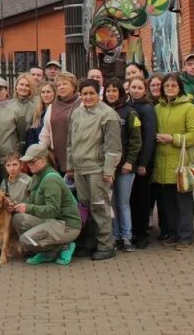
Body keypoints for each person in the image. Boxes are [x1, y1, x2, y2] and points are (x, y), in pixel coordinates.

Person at [68, 78, 121, 260]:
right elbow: (70, 143)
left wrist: (109, 171)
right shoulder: (77, 113)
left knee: (99, 207)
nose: (88, 97)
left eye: (91, 93)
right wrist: (70, 166)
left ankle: (106, 245)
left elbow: (113, 147)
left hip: (97, 169)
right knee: (84, 207)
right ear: (80, 95)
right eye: (84, 94)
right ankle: (88, 244)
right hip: (80, 169)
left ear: (98, 93)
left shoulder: (108, 115)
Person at [10, 143, 82, 265]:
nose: (28, 165)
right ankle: (49, 250)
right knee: (18, 219)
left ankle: (62, 247)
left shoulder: (51, 179)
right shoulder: (37, 176)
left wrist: (28, 208)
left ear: (43, 160)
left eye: (32, 162)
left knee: (25, 241)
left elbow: (53, 210)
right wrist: (16, 205)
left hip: (67, 225)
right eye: (27, 162)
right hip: (52, 220)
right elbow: (31, 201)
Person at [152, 73, 194, 249]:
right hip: (162, 163)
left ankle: (185, 236)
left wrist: (173, 139)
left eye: (173, 85)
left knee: (183, 202)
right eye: (167, 86)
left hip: (181, 163)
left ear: (180, 87)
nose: (170, 88)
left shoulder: (189, 108)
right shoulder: (158, 108)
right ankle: (172, 233)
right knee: (168, 204)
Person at [104, 77, 141, 253]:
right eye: (108, 90)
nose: (111, 94)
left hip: (125, 167)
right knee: (110, 203)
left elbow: (136, 141)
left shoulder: (130, 113)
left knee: (123, 203)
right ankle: (115, 236)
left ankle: (126, 237)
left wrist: (129, 162)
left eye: (114, 90)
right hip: (108, 167)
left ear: (120, 93)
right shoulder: (102, 111)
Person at [125, 76, 157, 248]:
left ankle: (142, 234)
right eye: (133, 87)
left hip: (142, 163)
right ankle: (133, 231)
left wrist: (143, 163)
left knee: (142, 199)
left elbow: (149, 137)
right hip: (130, 161)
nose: (136, 90)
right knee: (130, 200)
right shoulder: (129, 107)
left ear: (145, 90)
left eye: (139, 87)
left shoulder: (147, 108)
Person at [0, 77, 27, 189]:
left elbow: (22, 135)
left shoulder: (17, 109)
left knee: (10, 188)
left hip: (10, 157)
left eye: (0, 89)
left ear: (6, 90)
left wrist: (17, 153)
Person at [38, 72, 81, 175]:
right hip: (57, 159)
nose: (61, 87)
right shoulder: (52, 107)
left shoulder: (82, 103)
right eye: (58, 85)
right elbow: (46, 133)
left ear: (74, 86)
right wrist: (40, 152)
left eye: (65, 84)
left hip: (78, 159)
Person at [28, 81, 55, 150]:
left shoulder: (57, 112)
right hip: (39, 153)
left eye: (48, 92)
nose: (45, 95)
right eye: (43, 92)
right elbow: (31, 136)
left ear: (55, 93)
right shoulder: (37, 113)